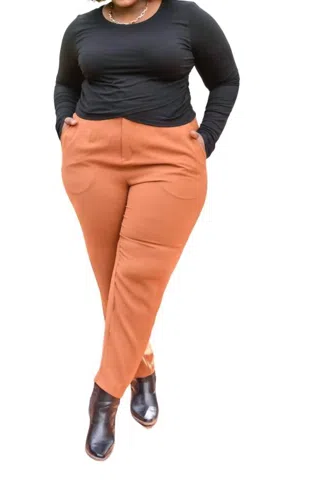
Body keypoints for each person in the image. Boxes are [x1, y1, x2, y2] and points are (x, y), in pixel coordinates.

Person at [53, 0, 240, 461]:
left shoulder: (187, 18)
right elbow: (65, 84)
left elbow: (226, 80)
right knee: (111, 280)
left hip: (169, 162)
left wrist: (207, 138)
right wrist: (64, 125)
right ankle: (142, 370)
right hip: (91, 159)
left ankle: (104, 397)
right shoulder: (81, 28)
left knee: (137, 279)